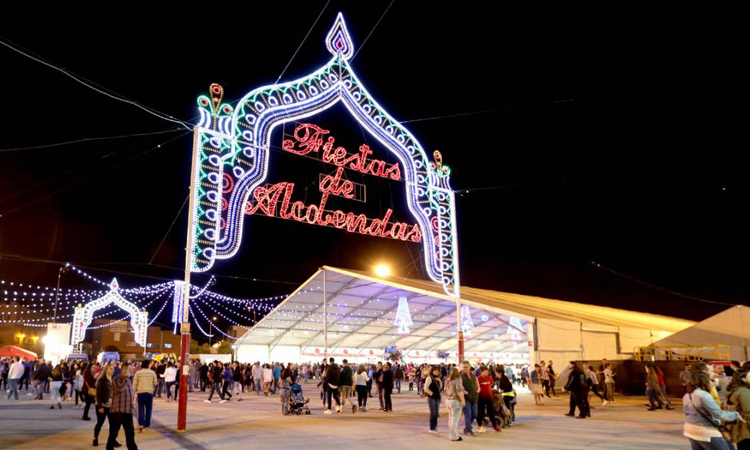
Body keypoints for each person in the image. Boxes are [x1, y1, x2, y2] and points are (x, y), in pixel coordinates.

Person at [683, 370, 743, 450]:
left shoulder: (687, 395)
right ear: (704, 381)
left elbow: (686, 412)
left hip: (689, 428)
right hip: (704, 430)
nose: (713, 382)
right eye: (711, 380)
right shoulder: (703, 395)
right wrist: (736, 414)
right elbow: (719, 414)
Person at [107, 363, 137, 450]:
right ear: (124, 370)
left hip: (127, 411)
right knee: (113, 433)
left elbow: (130, 395)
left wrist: (132, 407)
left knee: (130, 433)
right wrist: (127, 378)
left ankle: (132, 448)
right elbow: (119, 389)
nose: (131, 372)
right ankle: (109, 448)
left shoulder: (128, 380)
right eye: (129, 370)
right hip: (117, 411)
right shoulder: (116, 380)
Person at [726, 369, 750, 449]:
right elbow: (748, 411)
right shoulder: (744, 392)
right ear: (743, 379)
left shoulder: (736, 389)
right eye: (749, 376)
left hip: (738, 427)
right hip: (745, 428)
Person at [94, 363, 116, 447]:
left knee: (113, 424)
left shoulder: (112, 380)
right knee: (100, 423)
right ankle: (95, 438)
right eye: (111, 369)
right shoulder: (101, 380)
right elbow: (98, 395)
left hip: (111, 406)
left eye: (113, 369)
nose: (112, 370)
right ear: (106, 370)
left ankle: (112, 440)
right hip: (102, 405)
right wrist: (100, 406)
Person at [133, 360, 157, 432]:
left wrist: (133, 393)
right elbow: (155, 383)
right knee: (149, 409)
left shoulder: (138, 373)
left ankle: (141, 424)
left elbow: (134, 384)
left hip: (140, 393)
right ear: (148, 365)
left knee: (141, 409)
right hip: (149, 393)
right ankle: (147, 425)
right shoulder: (152, 373)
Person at [444, 367, 466, 442]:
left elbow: (444, 390)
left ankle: (452, 434)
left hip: (448, 400)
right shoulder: (457, 380)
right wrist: (463, 401)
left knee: (450, 418)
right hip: (455, 401)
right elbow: (459, 391)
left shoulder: (447, 380)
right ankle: (454, 436)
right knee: (454, 420)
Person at [477, 365, 500, 433]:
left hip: (489, 398)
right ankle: (479, 426)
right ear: (481, 371)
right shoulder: (478, 379)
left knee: (491, 412)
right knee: (481, 413)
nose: (487, 372)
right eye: (485, 371)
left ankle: (494, 427)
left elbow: (491, 384)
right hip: (481, 398)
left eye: (487, 371)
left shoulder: (489, 378)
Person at [460, 361, 479, 436]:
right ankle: (469, 430)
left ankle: (467, 427)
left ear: (470, 367)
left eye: (466, 367)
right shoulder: (461, 376)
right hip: (466, 398)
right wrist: (464, 391)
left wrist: (478, 390)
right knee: (468, 414)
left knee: (474, 414)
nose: (465, 368)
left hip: (474, 397)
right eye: (464, 367)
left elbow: (477, 384)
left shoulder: (474, 376)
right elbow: (460, 386)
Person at [423, 366, 442, 434]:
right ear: (432, 371)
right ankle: (432, 427)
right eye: (435, 370)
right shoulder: (429, 378)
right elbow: (426, 388)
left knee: (436, 413)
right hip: (431, 398)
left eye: (437, 370)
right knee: (433, 412)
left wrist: (440, 381)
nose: (436, 372)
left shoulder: (438, 378)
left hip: (437, 397)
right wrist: (431, 394)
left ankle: (435, 426)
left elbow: (440, 388)